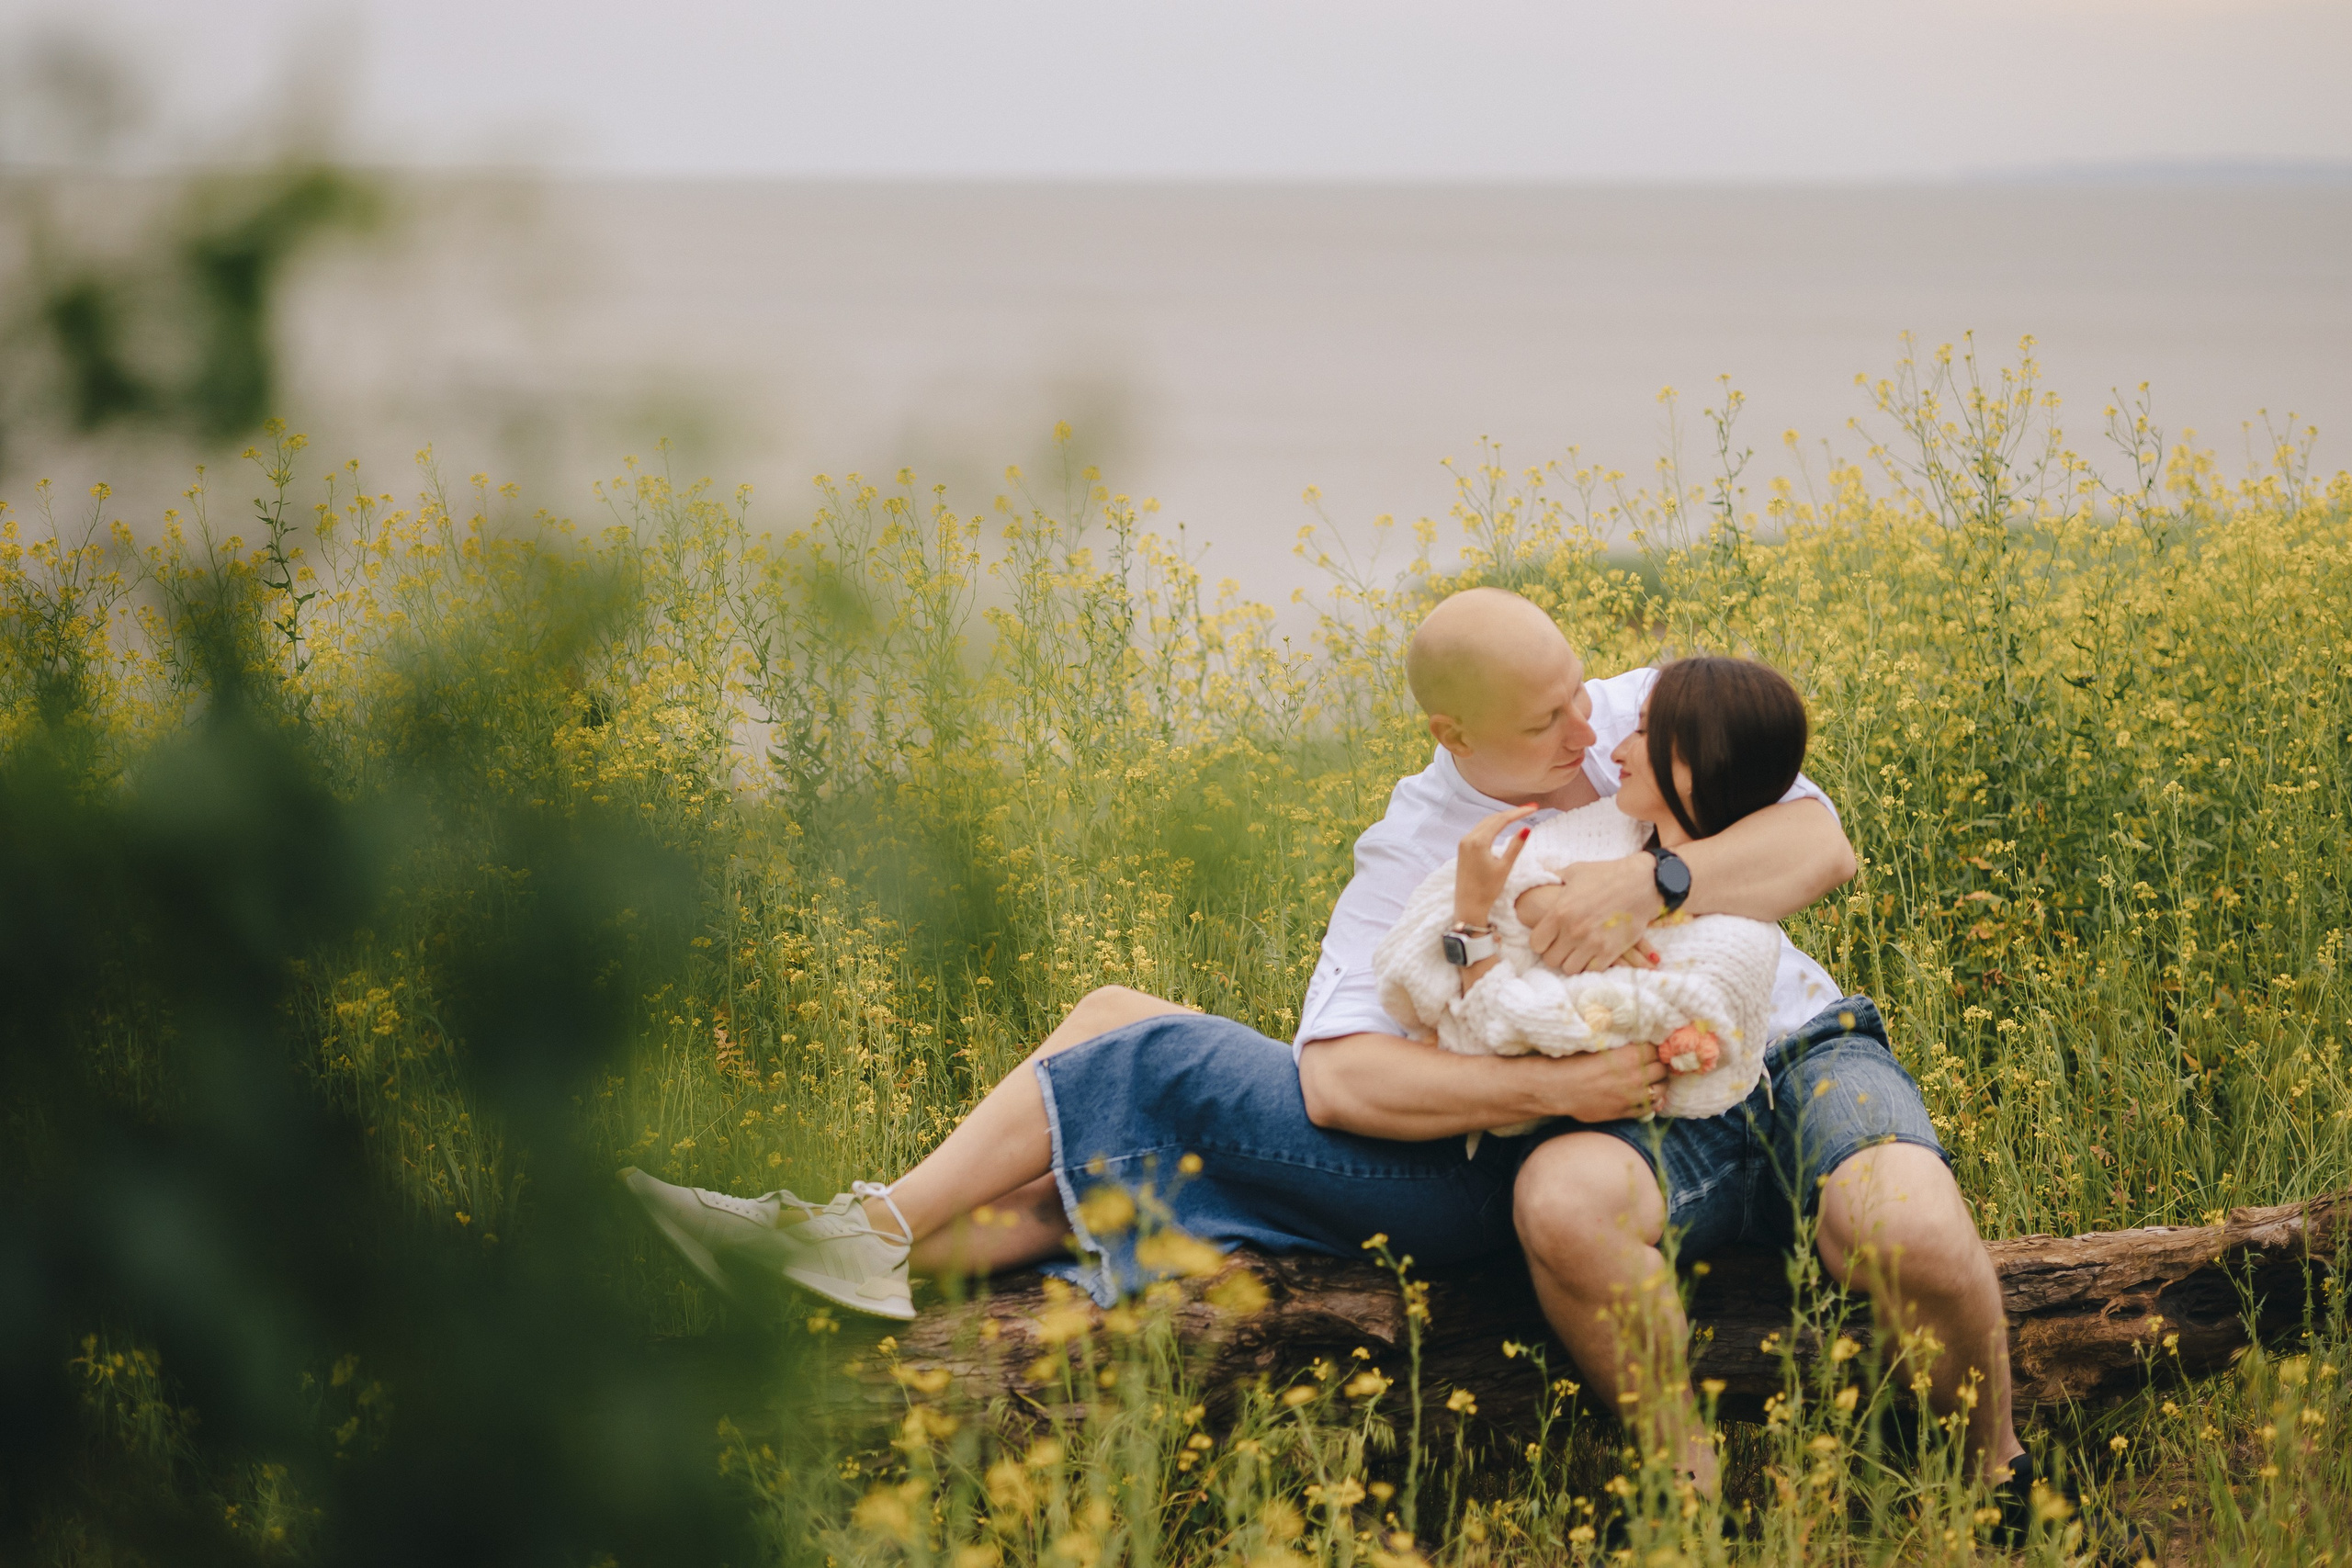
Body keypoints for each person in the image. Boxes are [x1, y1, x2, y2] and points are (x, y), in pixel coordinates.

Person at [623, 585, 2021, 1497]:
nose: (1593, 732)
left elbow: (1817, 833)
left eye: (1593, 697)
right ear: (1450, 733)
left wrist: (1650, 880)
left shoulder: (1631, 721)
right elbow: (1347, 1075)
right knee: (1119, 1045)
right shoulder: (1421, 845)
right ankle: (844, 1253)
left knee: (1125, 1047)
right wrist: (1543, 1039)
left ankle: (852, 1239)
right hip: (1574, 1120)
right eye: (1551, 720)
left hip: (1757, 1056)